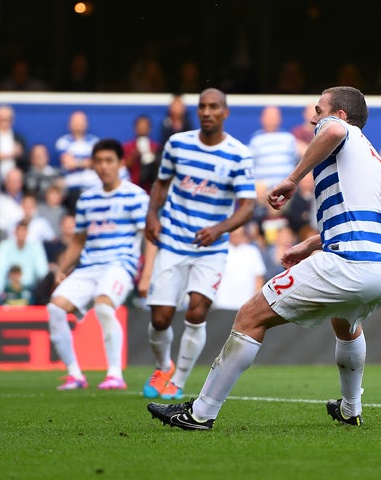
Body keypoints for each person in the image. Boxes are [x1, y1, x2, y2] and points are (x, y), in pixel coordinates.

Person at [147, 86, 380, 430]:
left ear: (341, 114)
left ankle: (200, 413)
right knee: (345, 324)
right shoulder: (371, 157)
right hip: (373, 267)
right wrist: (311, 244)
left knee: (250, 316)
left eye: (319, 109)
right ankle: (350, 407)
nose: (314, 117)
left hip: (346, 263)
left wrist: (291, 179)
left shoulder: (337, 129)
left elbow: (330, 130)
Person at [142, 88, 256, 401]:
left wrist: (219, 229)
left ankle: (178, 380)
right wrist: (152, 215)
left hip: (211, 249)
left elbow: (248, 205)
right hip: (173, 241)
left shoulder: (238, 154)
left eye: (214, 107)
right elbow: (162, 183)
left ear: (225, 113)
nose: (207, 112)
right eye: (203, 106)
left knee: (196, 311)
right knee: (160, 318)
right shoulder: (177, 144)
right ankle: (162, 366)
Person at [46, 138, 151, 391]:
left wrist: (147, 273)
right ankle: (75, 375)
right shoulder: (86, 199)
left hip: (120, 265)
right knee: (55, 309)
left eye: (109, 161)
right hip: (89, 267)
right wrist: (62, 268)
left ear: (120, 164)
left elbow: (149, 236)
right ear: (93, 165)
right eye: (99, 161)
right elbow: (78, 239)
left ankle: (115, 374)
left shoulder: (135, 195)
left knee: (104, 306)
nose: (104, 166)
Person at [248, 105, 299, 188]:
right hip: (263, 191)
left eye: (274, 117)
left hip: (287, 189)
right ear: (262, 119)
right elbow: (249, 166)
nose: (271, 120)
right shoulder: (256, 140)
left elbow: (296, 162)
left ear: (280, 119)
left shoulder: (289, 138)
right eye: (269, 117)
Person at [122, 114, 161, 194]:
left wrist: (155, 156)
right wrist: (134, 156)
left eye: (145, 126)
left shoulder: (156, 147)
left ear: (149, 128)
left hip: (151, 189)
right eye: (140, 126)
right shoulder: (127, 147)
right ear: (135, 128)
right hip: (132, 187)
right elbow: (123, 167)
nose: (142, 128)